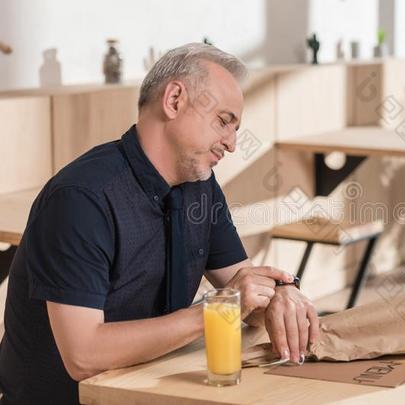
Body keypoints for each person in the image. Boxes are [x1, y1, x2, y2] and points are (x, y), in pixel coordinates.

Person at [0, 43, 319, 405]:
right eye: (224, 121)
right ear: (174, 100)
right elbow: (82, 356)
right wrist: (216, 310)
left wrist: (282, 294)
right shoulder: (80, 198)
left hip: (148, 390)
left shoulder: (200, 187)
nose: (232, 144)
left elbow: (245, 289)